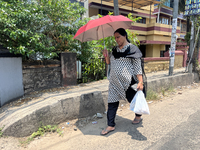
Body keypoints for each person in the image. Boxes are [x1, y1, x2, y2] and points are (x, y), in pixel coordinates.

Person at [101, 28, 146, 136]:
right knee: (112, 103)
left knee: (135, 99)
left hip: (128, 82)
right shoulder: (115, 50)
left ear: (124, 36)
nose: (116, 40)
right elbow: (109, 63)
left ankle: (138, 116)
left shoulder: (132, 49)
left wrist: (140, 82)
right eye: (115, 38)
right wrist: (106, 56)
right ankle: (110, 125)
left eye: (118, 37)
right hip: (114, 82)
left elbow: (137, 67)